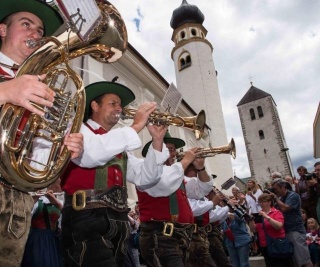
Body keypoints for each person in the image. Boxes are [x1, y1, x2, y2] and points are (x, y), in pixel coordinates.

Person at [0, 1, 83, 266]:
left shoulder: (43, 86)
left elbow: (37, 158)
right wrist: (6, 91)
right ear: (3, 30)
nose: (36, 34)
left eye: (40, 30)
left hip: (19, 202)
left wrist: (62, 149)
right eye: (26, 25)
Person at [60, 81, 169, 267]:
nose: (119, 108)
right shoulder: (77, 128)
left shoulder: (118, 143)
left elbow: (146, 177)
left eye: (120, 104)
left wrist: (157, 140)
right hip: (86, 218)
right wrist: (135, 126)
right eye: (113, 103)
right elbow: (92, 153)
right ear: (94, 106)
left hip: (119, 222)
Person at [138, 133, 214, 267]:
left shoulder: (177, 175)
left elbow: (203, 189)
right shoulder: (147, 172)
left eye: (173, 150)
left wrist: (200, 168)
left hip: (181, 237)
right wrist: (186, 161)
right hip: (161, 237)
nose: (174, 154)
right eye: (169, 149)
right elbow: (165, 181)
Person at [21, 178, 64, 267]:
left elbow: (63, 222)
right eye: (60, 184)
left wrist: (57, 204)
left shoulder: (61, 203)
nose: (62, 188)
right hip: (37, 239)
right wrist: (35, 199)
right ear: (51, 185)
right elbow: (26, 216)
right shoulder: (39, 201)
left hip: (53, 239)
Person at [271, 178, 313, 267]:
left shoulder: (293, 196)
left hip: (296, 230)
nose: (274, 191)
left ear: (283, 187)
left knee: (304, 260)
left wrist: (276, 199)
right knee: (296, 262)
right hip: (287, 231)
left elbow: (285, 208)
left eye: (275, 188)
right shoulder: (281, 198)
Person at [248, 193, 294, 267]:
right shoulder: (259, 215)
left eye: (263, 201)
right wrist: (250, 220)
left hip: (277, 243)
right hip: (265, 245)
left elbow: (279, 226)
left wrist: (267, 217)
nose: (261, 203)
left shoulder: (276, 212)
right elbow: (254, 230)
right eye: (260, 202)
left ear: (269, 202)